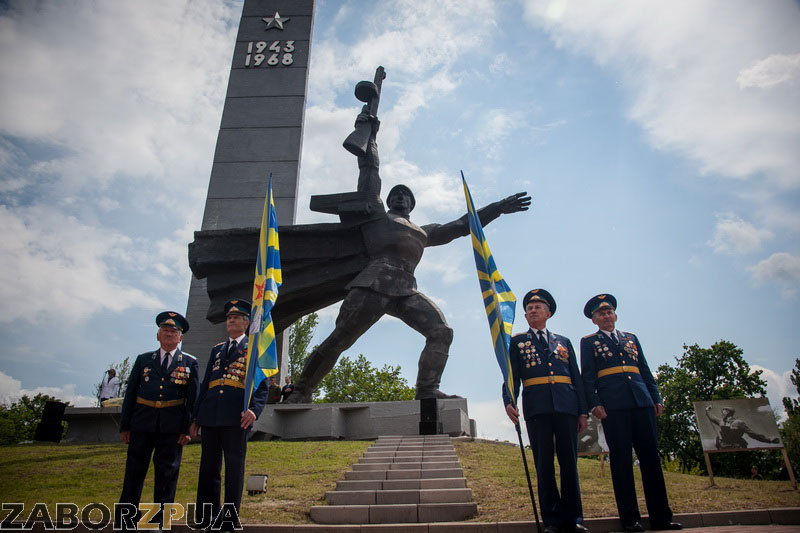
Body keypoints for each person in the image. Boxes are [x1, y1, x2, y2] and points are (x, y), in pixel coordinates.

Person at [286, 107, 530, 402]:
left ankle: (426, 390)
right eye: (396, 194)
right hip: (372, 285)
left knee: (441, 331)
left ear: (412, 204)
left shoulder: (423, 232)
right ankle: (301, 390)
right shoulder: (377, 217)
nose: (401, 197)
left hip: (405, 290)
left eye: (406, 195)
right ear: (388, 201)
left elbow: (462, 226)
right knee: (340, 340)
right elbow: (370, 170)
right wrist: (371, 136)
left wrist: (499, 207)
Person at [580, 294, 681, 532]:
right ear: (594, 320)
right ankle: (630, 519)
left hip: (641, 403)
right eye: (600, 314)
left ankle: (661, 517)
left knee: (651, 462)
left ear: (615, 315)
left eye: (609, 312)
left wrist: (655, 398)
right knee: (622, 464)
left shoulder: (631, 338)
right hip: (613, 407)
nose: (606, 316)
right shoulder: (589, 342)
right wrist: (594, 404)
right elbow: (588, 377)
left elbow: (644, 370)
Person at [503, 289, 589, 533]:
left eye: (537, 307)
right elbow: (512, 376)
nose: (532, 311)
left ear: (548, 313)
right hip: (537, 407)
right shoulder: (518, 342)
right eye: (529, 308)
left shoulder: (563, 342)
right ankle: (551, 519)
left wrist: (582, 411)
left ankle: (573, 518)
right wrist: (509, 399)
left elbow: (576, 377)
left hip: (566, 406)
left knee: (569, 464)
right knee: (544, 464)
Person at [190, 299, 268, 530]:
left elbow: (262, 385)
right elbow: (206, 384)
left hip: (237, 417)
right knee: (208, 468)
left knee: (234, 468)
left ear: (246, 323)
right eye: (228, 318)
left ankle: (229, 518)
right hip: (211, 415)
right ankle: (207, 516)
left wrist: (254, 410)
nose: (231, 320)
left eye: (236, 317)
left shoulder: (255, 348)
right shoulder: (216, 349)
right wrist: (195, 417)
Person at [116, 311, 198, 530]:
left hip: (172, 428)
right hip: (142, 424)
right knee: (133, 474)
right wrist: (125, 426)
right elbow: (131, 394)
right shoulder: (144, 360)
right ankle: (126, 520)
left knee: (167, 476)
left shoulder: (190, 363)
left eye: (174, 331)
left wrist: (188, 429)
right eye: (165, 330)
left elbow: (192, 400)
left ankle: (159, 522)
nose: (169, 334)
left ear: (181, 337)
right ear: (158, 335)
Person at [704, 405, 780, 449]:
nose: (721, 413)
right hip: (723, 446)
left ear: (728, 412)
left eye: (722, 411)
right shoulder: (721, 422)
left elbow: (752, 434)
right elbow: (711, 417)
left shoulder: (739, 423)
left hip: (736, 446)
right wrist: (707, 410)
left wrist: (769, 440)